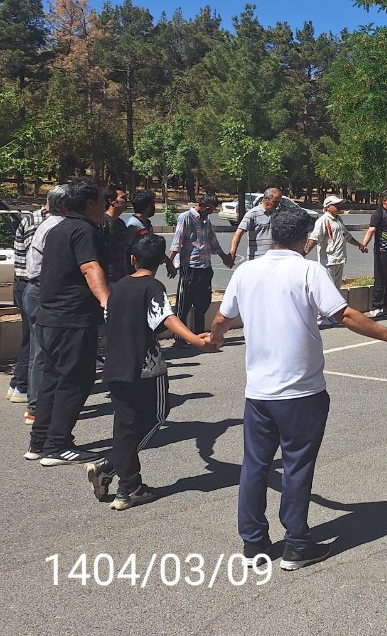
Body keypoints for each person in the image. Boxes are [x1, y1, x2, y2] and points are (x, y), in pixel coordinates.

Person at [209, 207, 387, 569]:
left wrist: (214, 339)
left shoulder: (246, 271)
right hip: (301, 392)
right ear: (306, 238)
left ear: (272, 234)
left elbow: (222, 317)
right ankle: (296, 544)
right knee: (297, 466)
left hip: (258, 393)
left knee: (255, 466)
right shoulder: (308, 270)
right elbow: (344, 314)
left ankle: (253, 543)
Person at [84, 234, 218, 510]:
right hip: (146, 368)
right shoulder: (153, 286)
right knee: (155, 417)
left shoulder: (119, 286)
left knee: (125, 425)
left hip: (114, 366)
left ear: (132, 259)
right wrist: (196, 341)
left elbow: (109, 317)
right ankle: (111, 466)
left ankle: (128, 486)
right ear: (160, 262)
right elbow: (165, 317)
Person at [29, 178, 110, 466]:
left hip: (50, 317)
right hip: (72, 318)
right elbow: (90, 267)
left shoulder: (57, 228)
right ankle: (58, 445)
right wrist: (107, 302)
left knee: (53, 379)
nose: (106, 205)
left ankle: (39, 441)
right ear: (90, 203)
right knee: (76, 380)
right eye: (103, 200)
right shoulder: (85, 230)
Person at [21, 185, 68, 428]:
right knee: (42, 352)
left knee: (39, 351)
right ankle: (37, 408)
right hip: (42, 291)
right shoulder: (56, 227)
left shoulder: (51, 224)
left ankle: (38, 405)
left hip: (37, 290)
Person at [167, 194, 234, 335]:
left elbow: (213, 241)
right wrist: (170, 263)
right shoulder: (185, 217)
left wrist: (225, 258)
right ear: (201, 205)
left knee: (202, 304)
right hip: (189, 267)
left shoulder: (206, 220)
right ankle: (180, 338)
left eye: (212, 210)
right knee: (183, 305)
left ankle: (199, 335)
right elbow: (177, 242)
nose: (210, 213)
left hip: (205, 267)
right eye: (209, 209)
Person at [8, 197, 48, 406]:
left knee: (30, 338)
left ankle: (18, 383)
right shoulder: (40, 222)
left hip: (24, 283)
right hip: (29, 284)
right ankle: (22, 386)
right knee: (33, 340)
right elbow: (38, 260)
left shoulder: (32, 218)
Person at [304, 196, 365, 289]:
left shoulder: (338, 219)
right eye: (336, 205)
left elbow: (346, 236)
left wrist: (359, 245)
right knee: (327, 288)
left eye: (339, 204)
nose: (339, 206)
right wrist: (304, 253)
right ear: (328, 207)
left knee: (336, 289)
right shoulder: (323, 220)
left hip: (340, 259)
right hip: (328, 261)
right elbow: (314, 238)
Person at [229, 187, 282, 262]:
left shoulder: (277, 214)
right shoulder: (252, 214)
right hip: (256, 260)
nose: (277, 205)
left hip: (273, 260)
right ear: (266, 199)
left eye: (279, 202)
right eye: (274, 202)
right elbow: (238, 234)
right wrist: (232, 253)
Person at [100, 184, 132, 285]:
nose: (126, 201)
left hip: (120, 278)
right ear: (112, 201)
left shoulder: (121, 224)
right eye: (123, 198)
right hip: (106, 278)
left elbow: (123, 251)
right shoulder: (102, 222)